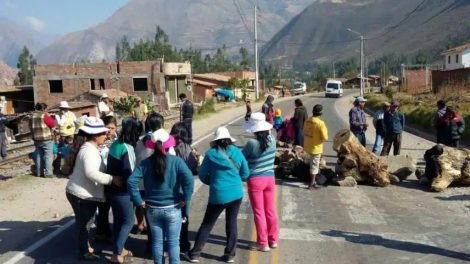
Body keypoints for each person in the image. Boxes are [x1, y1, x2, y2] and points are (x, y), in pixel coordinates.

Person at [128, 130, 194, 264]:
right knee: (173, 243)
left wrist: (138, 200)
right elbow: (189, 180)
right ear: (169, 146)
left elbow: (131, 181)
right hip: (173, 208)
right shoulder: (176, 161)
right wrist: (185, 198)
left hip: (152, 209)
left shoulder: (145, 163)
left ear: (152, 146)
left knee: (157, 243)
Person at [186, 127, 249, 263]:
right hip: (236, 193)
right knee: (231, 223)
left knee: (207, 224)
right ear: (228, 139)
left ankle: (195, 254)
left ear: (216, 141)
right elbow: (245, 173)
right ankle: (230, 255)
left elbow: (202, 175)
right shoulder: (237, 152)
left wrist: (213, 182)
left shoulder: (210, 154)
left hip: (218, 195)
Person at [65, 117, 122, 261]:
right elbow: (91, 173)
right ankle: (83, 251)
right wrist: (111, 179)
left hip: (80, 192)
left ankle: (86, 247)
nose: (106, 135)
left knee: (86, 222)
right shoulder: (89, 151)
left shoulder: (89, 148)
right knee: (84, 224)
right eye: (103, 133)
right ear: (95, 136)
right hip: (81, 194)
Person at [106, 118, 141, 263]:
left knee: (119, 221)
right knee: (128, 221)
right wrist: (136, 193)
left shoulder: (115, 144)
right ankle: (117, 253)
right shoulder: (127, 148)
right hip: (123, 191)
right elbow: (129, 173)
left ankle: (120, 247)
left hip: (112, 189)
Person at [242, 112, 279, 252]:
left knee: (259, 212)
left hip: (255, 179)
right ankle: (273, 240)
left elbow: (240, 158)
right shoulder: (273, 139)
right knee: (270, 210)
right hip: (270, 178)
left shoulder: (252, 143)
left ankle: (263, 243)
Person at [95, 115, 118, 243]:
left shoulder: (117, 140)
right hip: (102, 176)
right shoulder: (99, 140)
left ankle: (108, 231)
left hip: (113, 177)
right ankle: (102, 231)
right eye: (107, 127)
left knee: (112, 206)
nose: (109, 130)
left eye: (112, 128)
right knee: (103, 206)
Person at [303, 104, 328, 189]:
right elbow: (325, 137)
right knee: (314, 165)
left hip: (307, 146)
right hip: (315, 147)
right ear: (321, 113)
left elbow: (304, 131)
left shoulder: (308, 120)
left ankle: (311, 181)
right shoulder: (320, 123)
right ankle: (312, 183)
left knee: (311, 164)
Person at [30, 103, 56, 177]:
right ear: (43, 109)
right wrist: (49, 116)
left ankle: (39, 173)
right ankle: (48, 173)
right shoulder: (44, 116)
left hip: (36, 139)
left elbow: (30, 127)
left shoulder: (31, 116)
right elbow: (52, 124)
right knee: (48, 156)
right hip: (46, 139)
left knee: (39, 155)